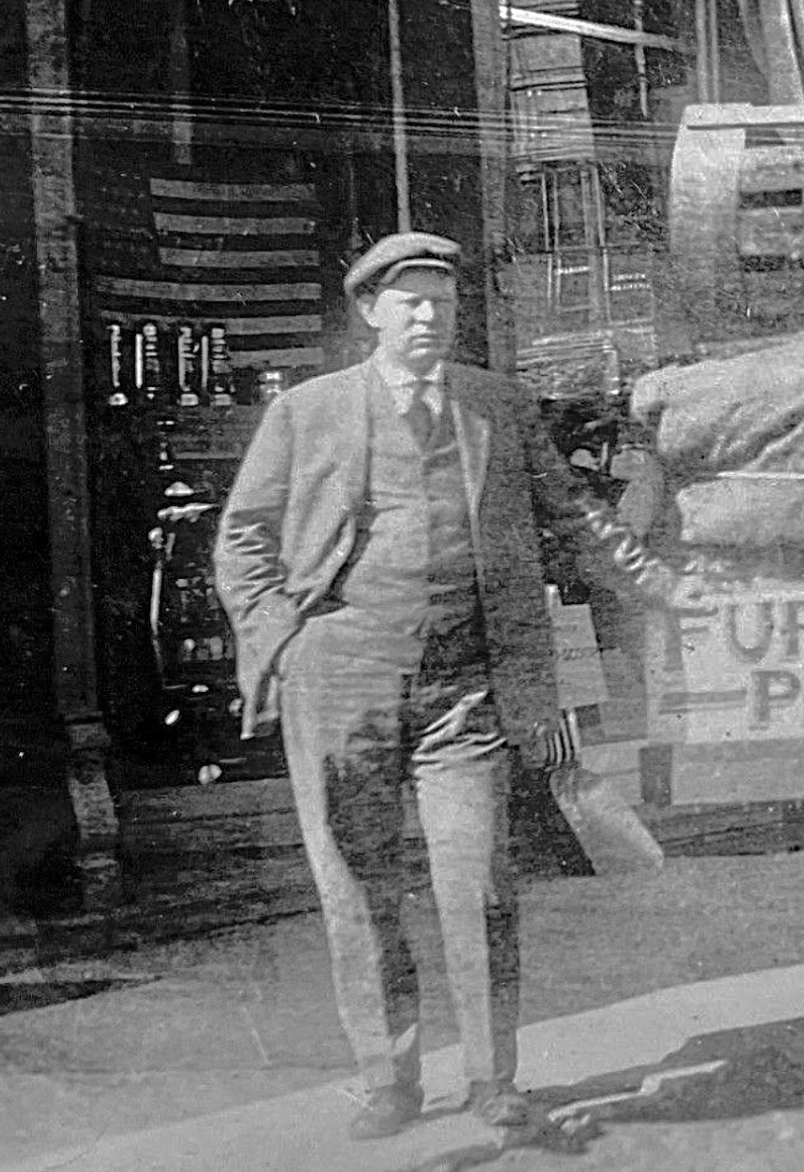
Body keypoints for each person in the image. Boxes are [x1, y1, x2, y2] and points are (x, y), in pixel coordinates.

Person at [214, 231, 590, 1144]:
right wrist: (286, 643)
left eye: (444, 304)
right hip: (343, 685)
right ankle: (387, 1077)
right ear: (369, 312)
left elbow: (571, 515)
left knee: (481, 881)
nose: (430, 319)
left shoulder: (497, 404)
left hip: (467, 687)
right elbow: (243, 537)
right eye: (411, 303)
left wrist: (658, 581)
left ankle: (493, 1078)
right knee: (358, 883)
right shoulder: (309, 411)